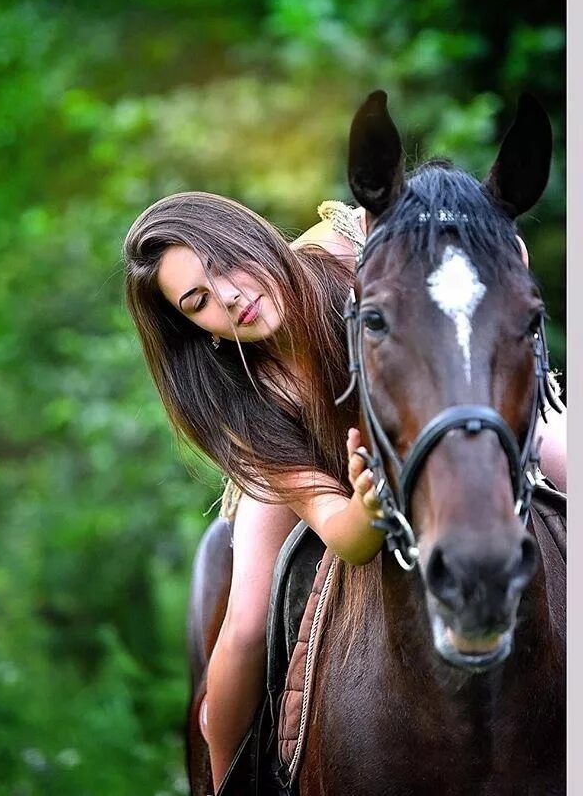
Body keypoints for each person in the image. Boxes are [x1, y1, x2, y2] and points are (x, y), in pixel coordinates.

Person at [123, 191, 566, 792]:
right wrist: (368, 504)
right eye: (198, 302)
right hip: (328, 473)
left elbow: (463, 259)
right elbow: (346, 536)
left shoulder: (343, 253)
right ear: (198, 330)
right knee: (247, 619)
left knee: (566, 457)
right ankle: (226, 778)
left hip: (439, 417)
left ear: (255, 239)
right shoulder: (249, 397)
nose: (227, 296)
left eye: (224, 264)